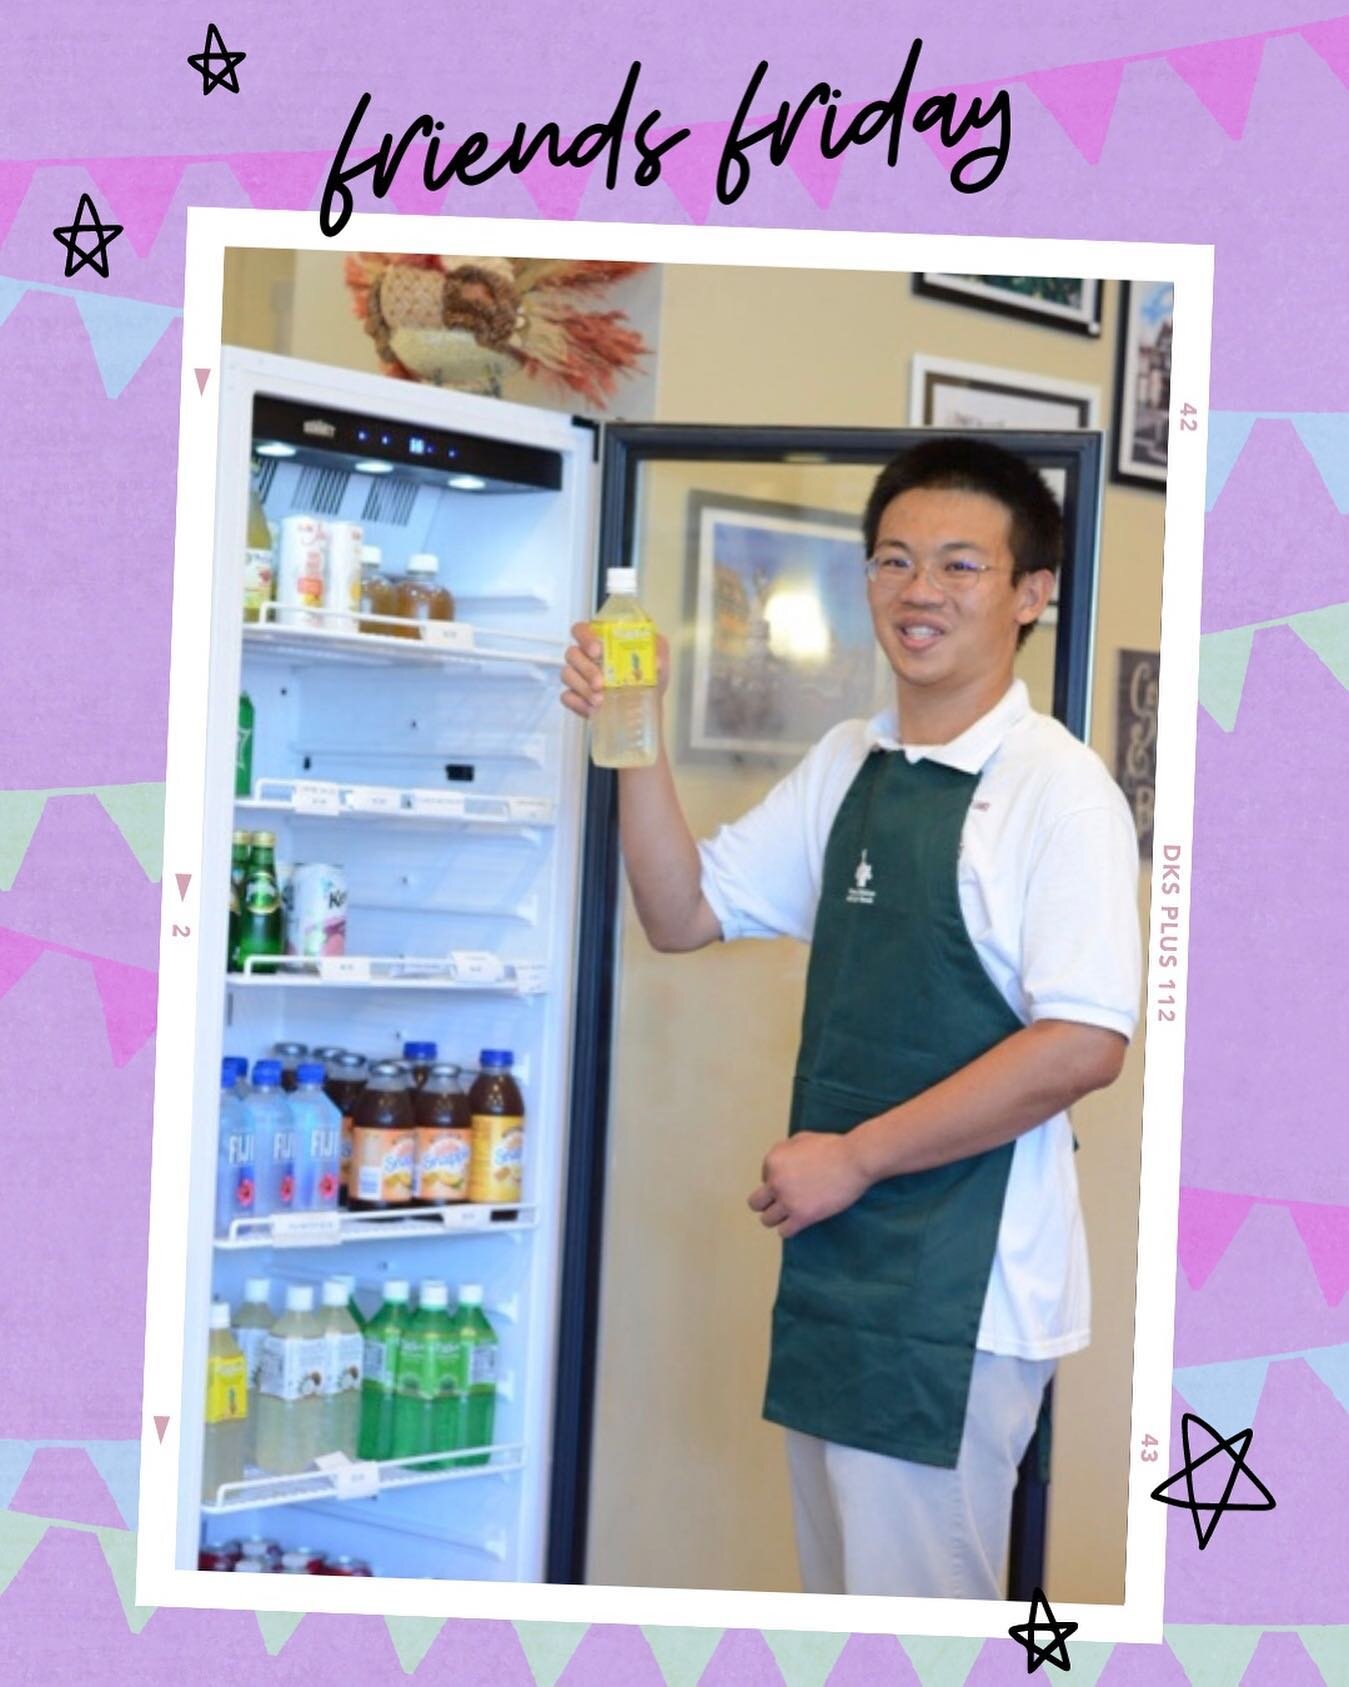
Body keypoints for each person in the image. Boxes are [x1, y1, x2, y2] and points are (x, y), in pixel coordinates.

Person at [560, 436, 1141, 1601]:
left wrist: (855, 1158)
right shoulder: (849, 762)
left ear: (1033, 593)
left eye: (960, 565)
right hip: (837, 1262)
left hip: (955, 1294)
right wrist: (633, 729)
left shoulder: (1055, 787)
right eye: (891, 559)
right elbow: (680, 913)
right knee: (843, 1617)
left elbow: (1081, 1043)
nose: (917, 590)